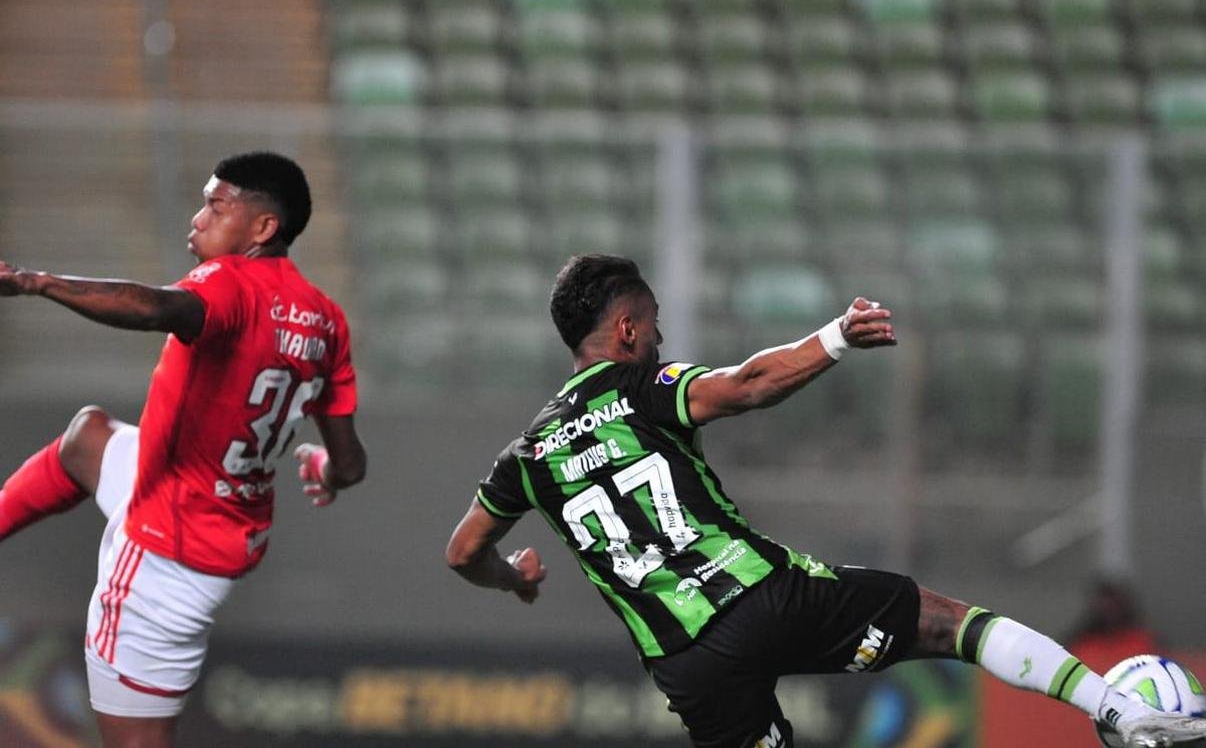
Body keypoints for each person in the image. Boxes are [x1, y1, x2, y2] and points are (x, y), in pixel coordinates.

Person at [446, 254, 1205, 748]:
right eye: (654, 323)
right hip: (758, 599)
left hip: (685, 665)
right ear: (627, 327)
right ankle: (1118, 708)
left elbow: (463, 551)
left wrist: (514, 577)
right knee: (952, 625)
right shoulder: (642, 385)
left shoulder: (528, 454)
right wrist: (835, 337)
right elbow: (746, 386)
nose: (661, 333)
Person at [0, 151, 367, 747]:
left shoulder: (230, 283)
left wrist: (37, 283)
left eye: (216, 205)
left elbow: (155, 308)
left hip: (162, 554)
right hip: (215, 519)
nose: (198, 218)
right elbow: (351, 464)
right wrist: (326, 466)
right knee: (89, 438)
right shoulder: (327, 321)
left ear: (263, 228)